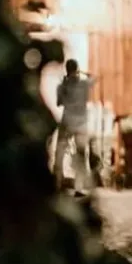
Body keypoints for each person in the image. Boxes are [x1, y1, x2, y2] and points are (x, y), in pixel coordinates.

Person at [53, 59, 94, 195]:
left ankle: (57, 185)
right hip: (81, 123)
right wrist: (82, 72)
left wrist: (65, 85)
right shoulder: (84, 84)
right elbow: (92, 77)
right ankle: (78, 187)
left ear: (66, 69)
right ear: (76, 69)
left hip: (67, 122)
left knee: (59, 153)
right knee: (81, 155)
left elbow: (59, 103)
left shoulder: (63, 85)